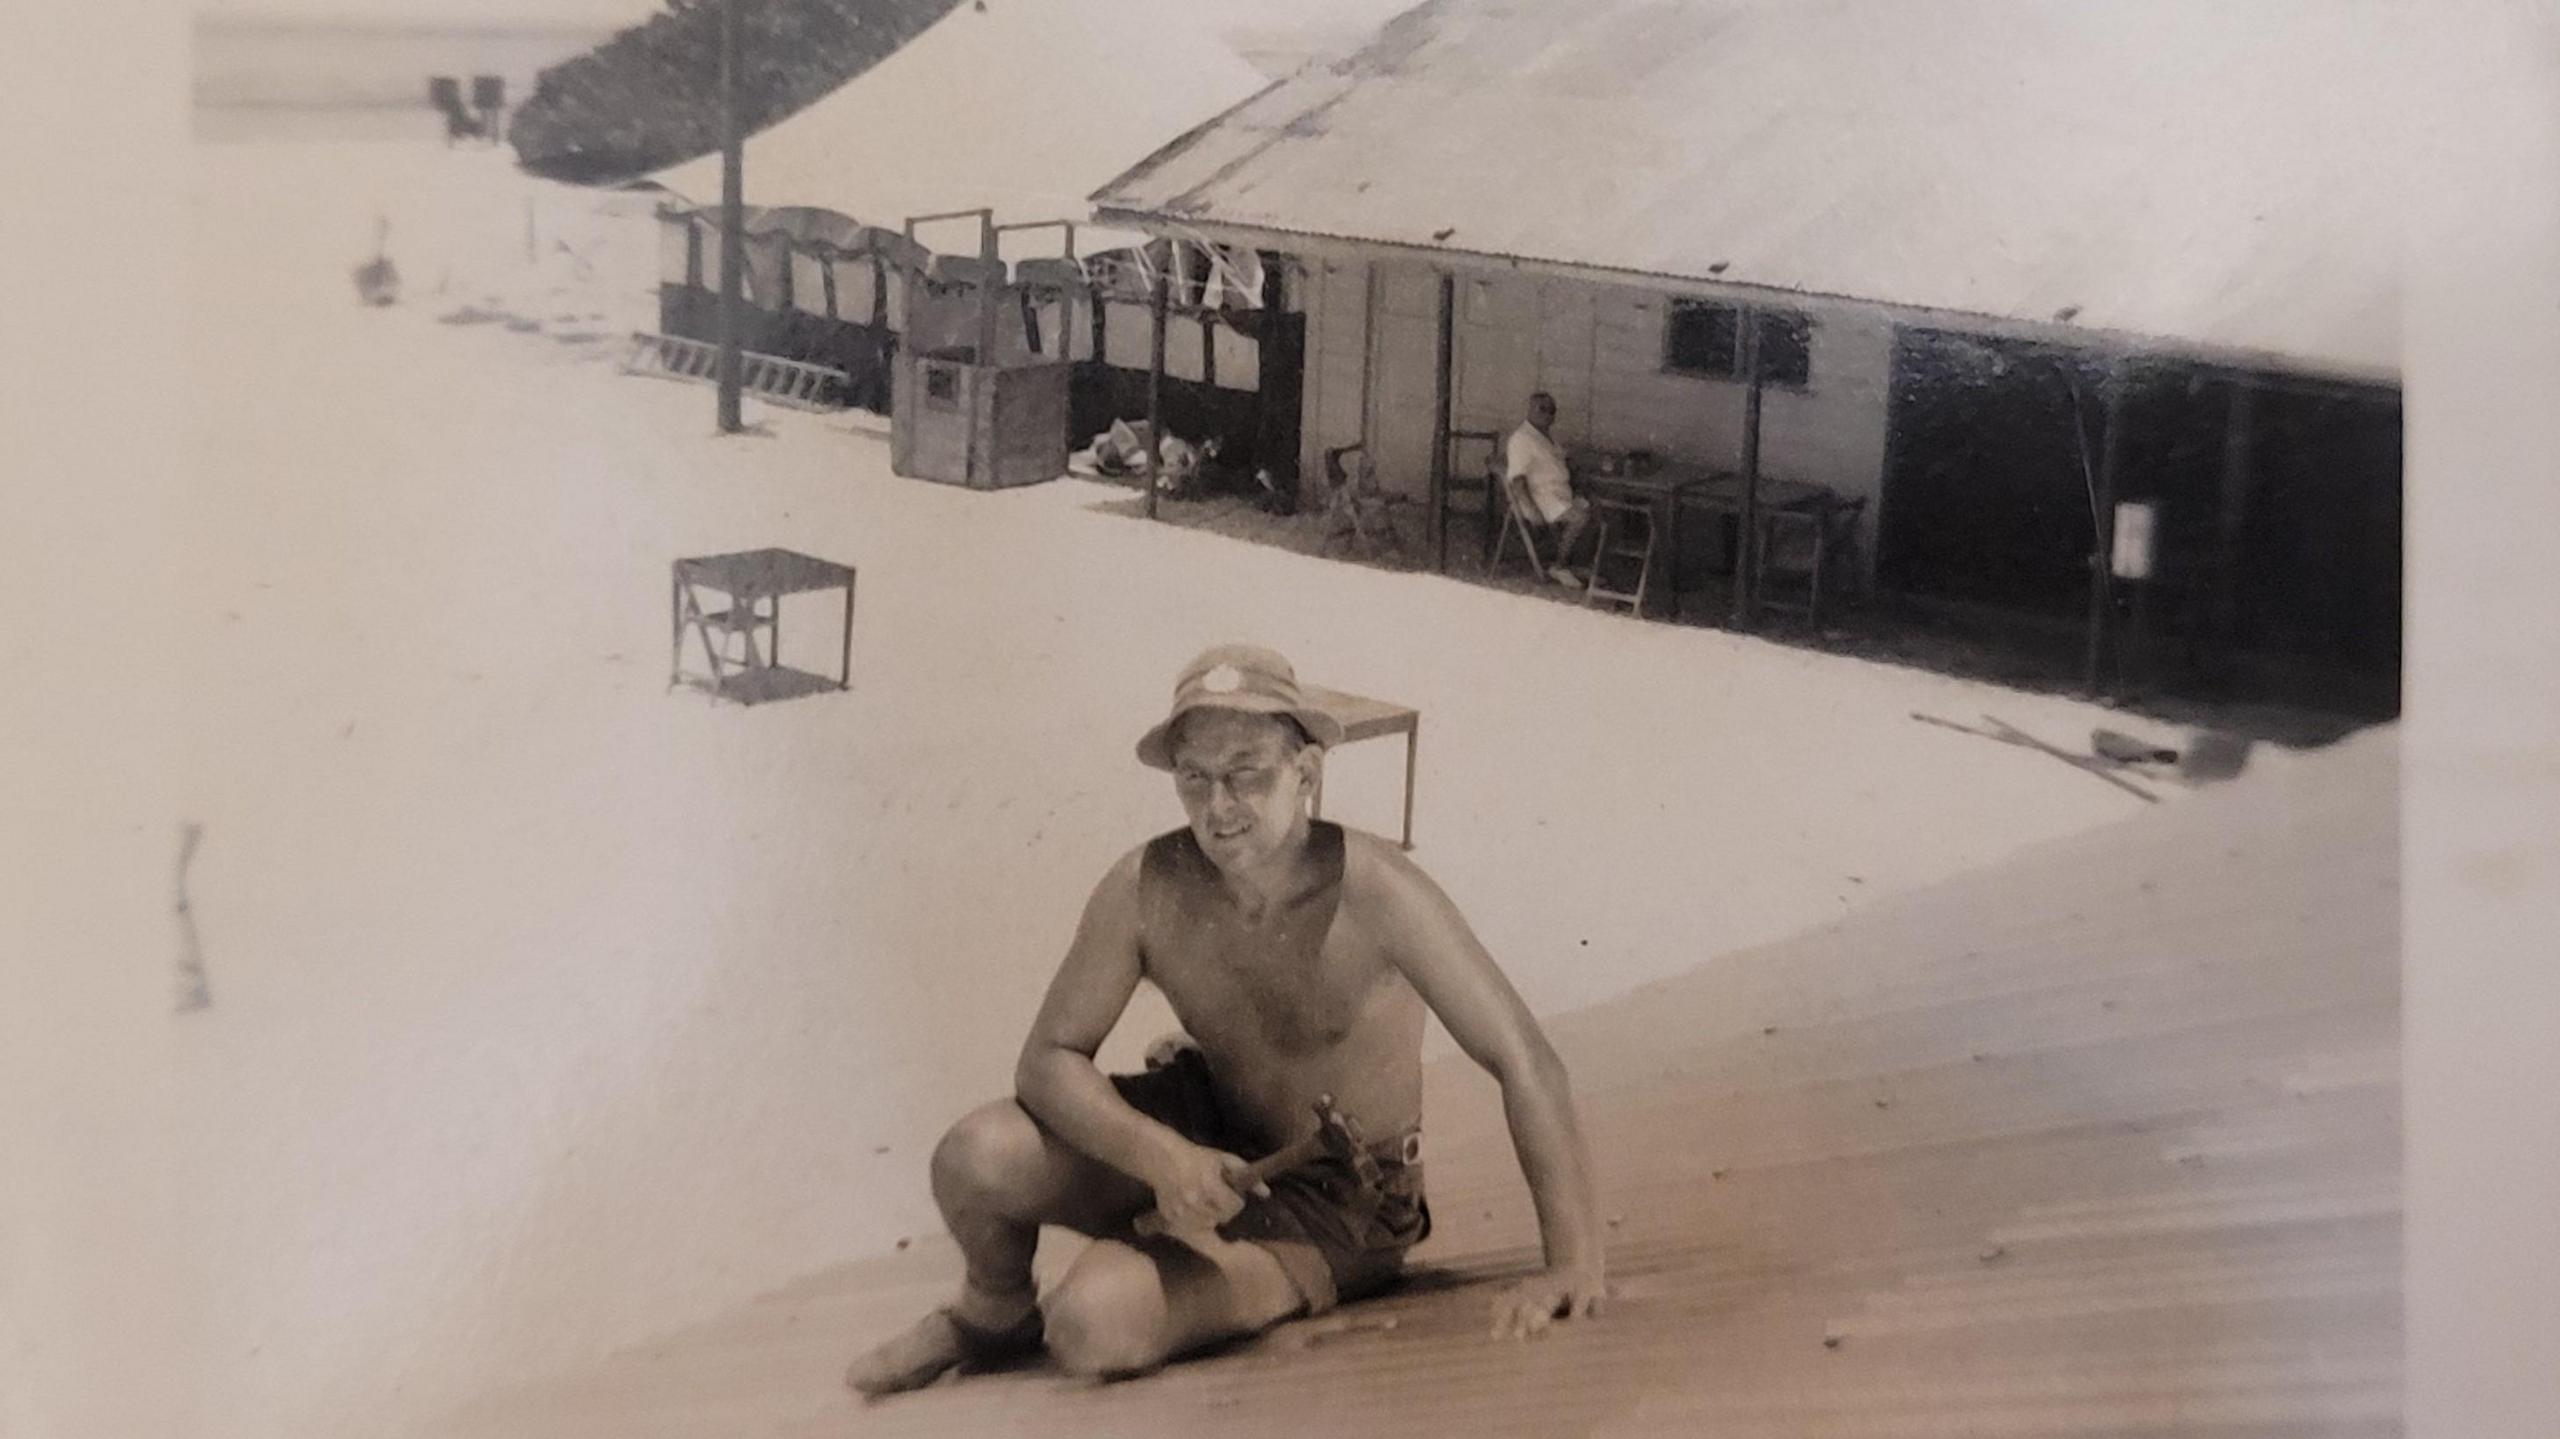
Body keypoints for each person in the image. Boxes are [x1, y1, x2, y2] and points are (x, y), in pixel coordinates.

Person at [846, 644, 1606, 1395]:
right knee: (973, 1154)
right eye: (1195, 778)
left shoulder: (1375, 890)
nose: (1219, 806)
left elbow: (1523, 1056)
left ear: (1305, 774)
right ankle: (995, 1309)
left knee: (1092, 1324)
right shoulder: (1148, 885)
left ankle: (1162, 1266)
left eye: (1247, 772)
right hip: (1205, 1127)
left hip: (1339, 1195)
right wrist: (1161, 1156)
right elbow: (1046, 1059)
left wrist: (1572, 1262)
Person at [1505, 392, 1595, 588]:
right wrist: (1530, 510)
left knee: (1595, 507)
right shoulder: (1522, 439)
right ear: (1529, 410)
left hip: (1560, 494)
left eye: (1551, 410)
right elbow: (1517, 480)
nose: (1547, 414)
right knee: (1581, 517)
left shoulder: (1545, 437)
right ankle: (1559, 566)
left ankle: (1573, 563)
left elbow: (1557, 460)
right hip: (1541, 498)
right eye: (1542, 409)